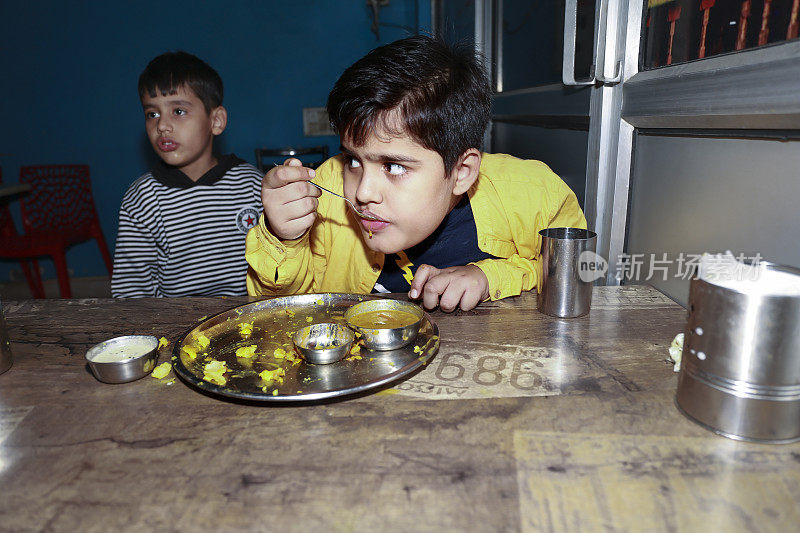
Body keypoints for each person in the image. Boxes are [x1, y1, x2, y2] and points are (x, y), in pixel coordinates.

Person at [246, 36, 586, 311]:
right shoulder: (325, 192)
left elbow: (572, 276)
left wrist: (490, 276)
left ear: (462, 171)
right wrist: (283, 237)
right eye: (353, 160)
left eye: (394, 166)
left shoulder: (534, 195)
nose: (363, 192)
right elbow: (278, 310)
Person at [112, 51, 263, 297]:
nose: (162, 125)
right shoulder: (142, 199)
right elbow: (133, 292)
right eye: (152, 114)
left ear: (216, 121)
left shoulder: (251, 185)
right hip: (174, 324)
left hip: (244, 318)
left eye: (178, 111)